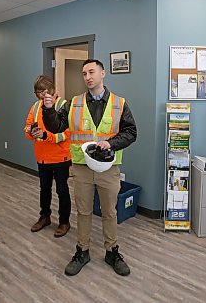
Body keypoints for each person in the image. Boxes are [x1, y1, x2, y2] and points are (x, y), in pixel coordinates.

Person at [42, 59, 137, 276]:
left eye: (92, 72)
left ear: (103, 73)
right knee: (83, 211)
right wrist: (48, 110)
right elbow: (56, 126)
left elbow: (131, 132)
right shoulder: (73, 103)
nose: (87, 77)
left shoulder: (119, 103)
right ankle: (82, 251)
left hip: (108, 167)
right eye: (84, 73)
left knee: (109, 212)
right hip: (82, 168)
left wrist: (110, 143)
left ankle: (112, 251)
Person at [24, 75, 72, 237]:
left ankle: (64, 222)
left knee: (62, 190)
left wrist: (46, 136)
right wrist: (31, 132)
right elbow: (28, 126)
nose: (41, 96)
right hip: (42, 157)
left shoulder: (64, 106)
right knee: (44, 189)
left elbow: (66, 134)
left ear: (52, 90)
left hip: (61, 157)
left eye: (43, 92)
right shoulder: (36, 107)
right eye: (37, 93)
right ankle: (44, 217)